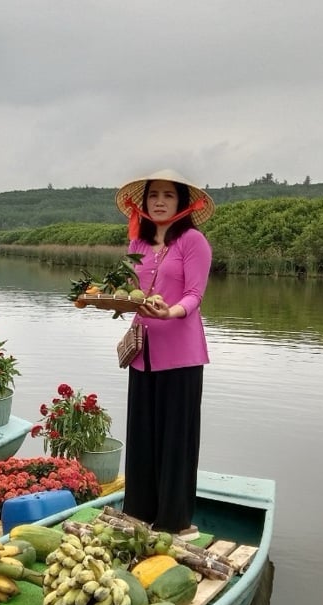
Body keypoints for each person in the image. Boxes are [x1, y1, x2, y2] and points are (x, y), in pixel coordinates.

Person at [113, 169, 214, 538]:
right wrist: (110, 300)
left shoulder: (192, 241)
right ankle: (138, 513)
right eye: (153, 195)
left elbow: (195, 295)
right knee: (142, 434)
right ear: (144, 203)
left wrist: (170, 311)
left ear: (181, 204)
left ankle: (175, 521)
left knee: (176, 439)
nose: (159, 201)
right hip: (143, 352)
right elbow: (127, 290)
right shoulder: (137, 245)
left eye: (168, 195)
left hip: (181, 355)